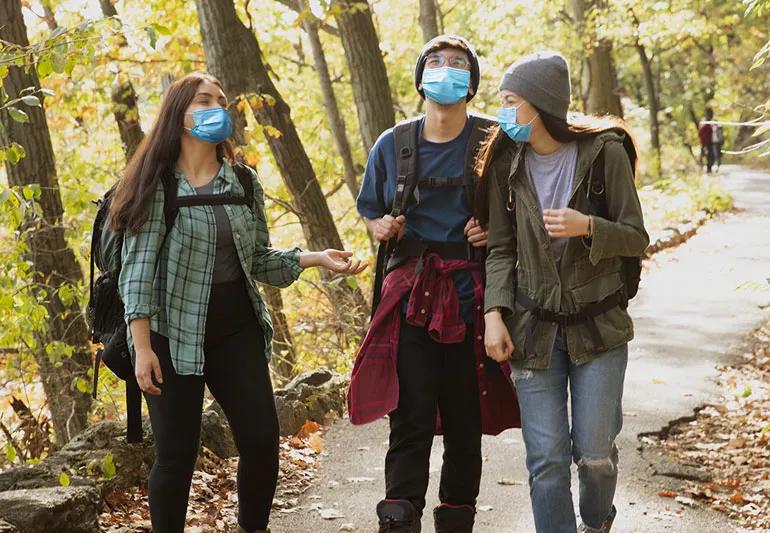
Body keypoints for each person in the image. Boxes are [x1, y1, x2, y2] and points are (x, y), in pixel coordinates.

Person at [109, 72, 366, 533]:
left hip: (237, 331)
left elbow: (260, 259)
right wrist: (142, 347)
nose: (217, 108)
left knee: (262, 441)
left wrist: (315, 258)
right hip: (171, 336)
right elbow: (138, 272)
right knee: (176, 456)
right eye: (204, 100)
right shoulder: (159, 186)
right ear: (178, 114)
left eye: (221, 101)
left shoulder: (243, 181)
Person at [348, 35, 519, 533]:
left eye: (459, 64)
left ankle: (456, 520)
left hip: (476, 300)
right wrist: (379, 226)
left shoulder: (494, 142)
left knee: (466, 422)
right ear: (421, 78)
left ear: (472, 82)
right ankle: (399, 518)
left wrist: (494, 227)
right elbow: (372, 212)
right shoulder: (394, 144)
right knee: (411, 416)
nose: (447, 70)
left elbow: (519, 210)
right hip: (410, 299)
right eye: (437, 62)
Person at [477, 51, 649, 533]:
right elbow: (499, 248)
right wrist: (494, 313)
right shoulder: (507, 163)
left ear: (541, 104)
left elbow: (636, 237)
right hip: (532, 332)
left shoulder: (604, 154)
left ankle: (597, 520)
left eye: (511, 101)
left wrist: (588, 225)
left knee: (594, 454)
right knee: (547, 460)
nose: (503, 112)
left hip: (600, 328)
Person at [699, 108, 718, 173]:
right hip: (706, 143)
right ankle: (706, 168)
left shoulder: (712, 124)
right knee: (708, 156)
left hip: (711, 143)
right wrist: (704, 144)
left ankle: (708, 168)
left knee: (711, 156)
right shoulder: (705, 125)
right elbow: (701, 134)